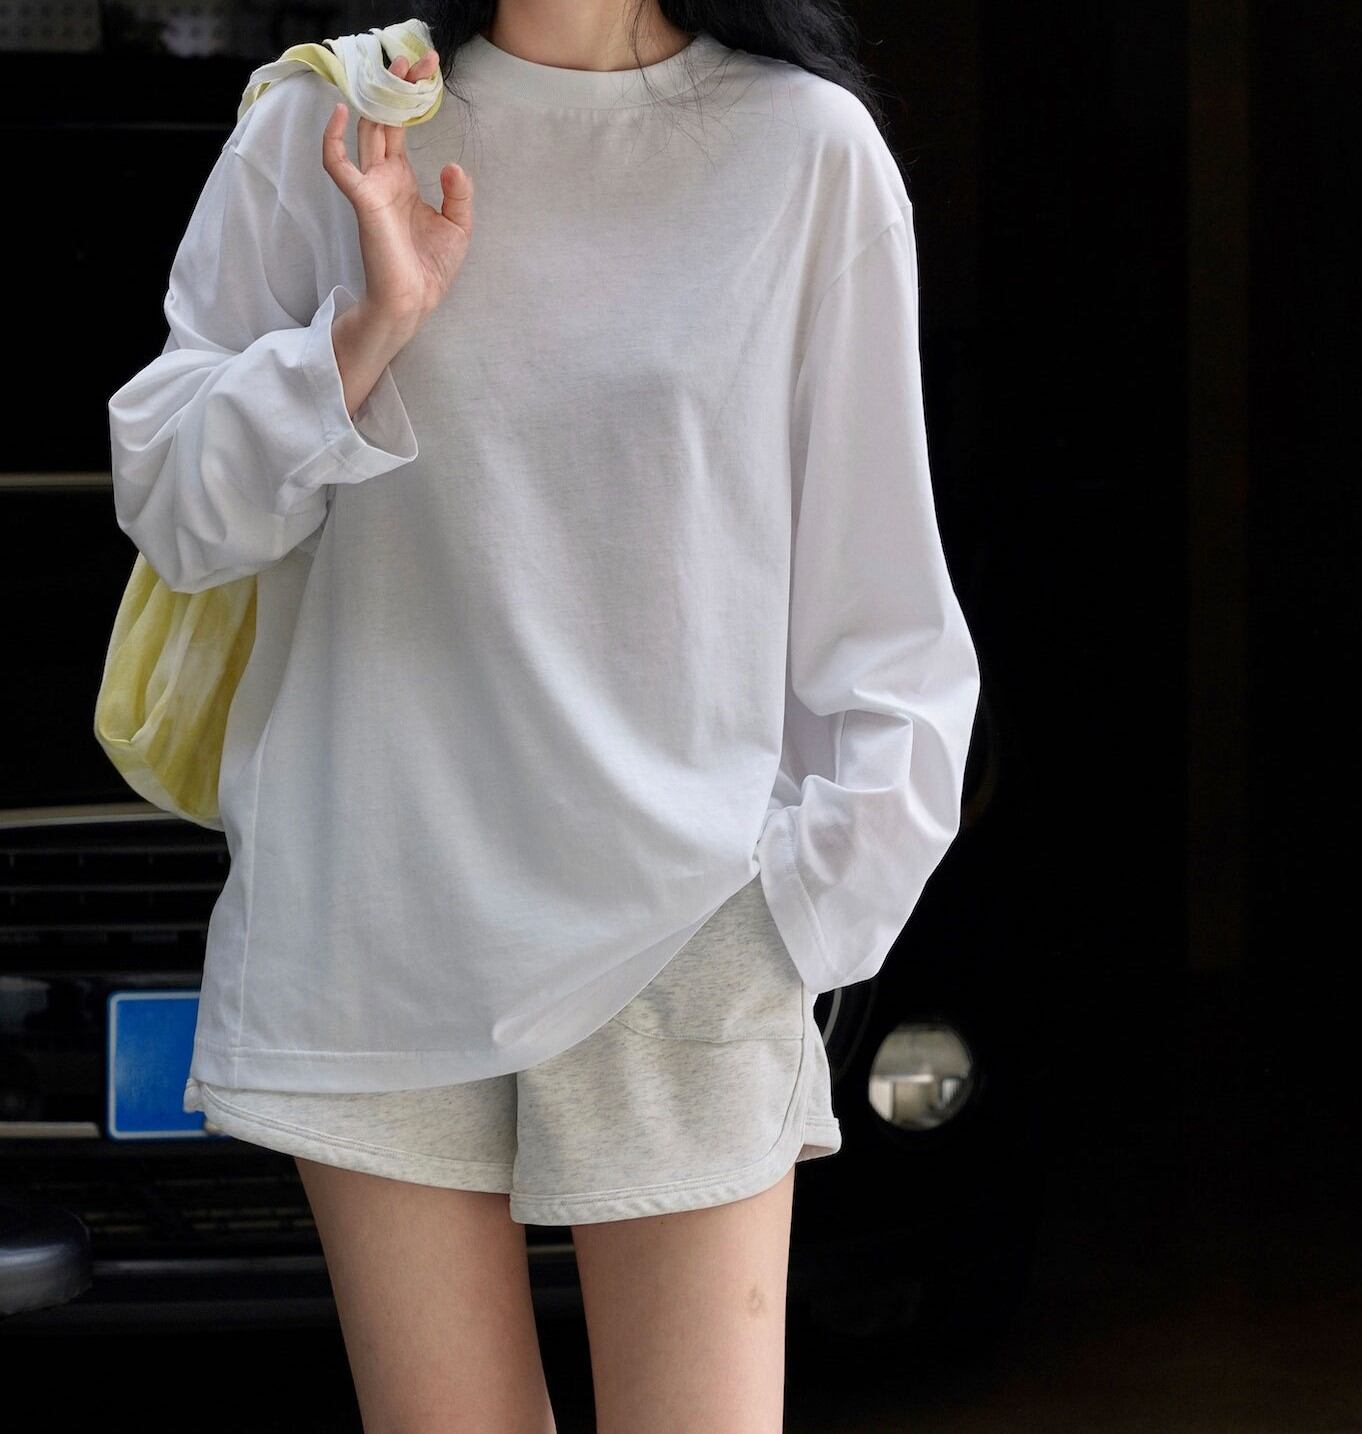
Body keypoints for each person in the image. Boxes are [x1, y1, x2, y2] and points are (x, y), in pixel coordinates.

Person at [106, 1, 981, 1428]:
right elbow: (172, 507)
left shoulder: (805, 151)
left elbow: (884, 618)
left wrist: (795, 916)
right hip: (377, 919)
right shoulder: (335, 120)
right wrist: (366, 331)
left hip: (689, 930)